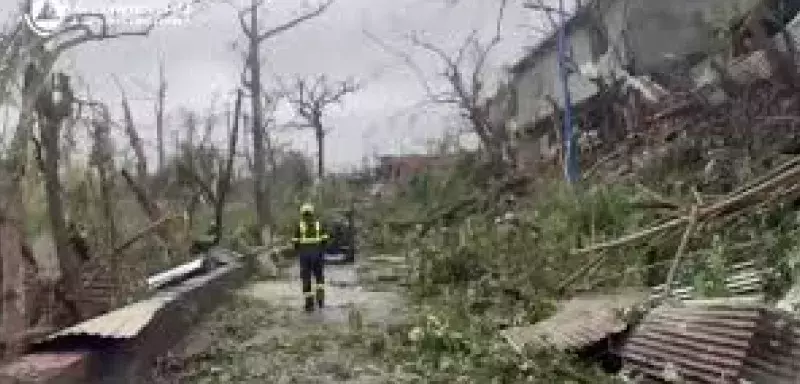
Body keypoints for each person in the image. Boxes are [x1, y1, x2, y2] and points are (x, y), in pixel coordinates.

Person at [291, 203, 329, 312]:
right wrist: (321, 249)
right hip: (317, 254)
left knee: (306, 278)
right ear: (312, 213)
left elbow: (295, 242)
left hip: (304, 255)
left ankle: (309, 304)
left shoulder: (300, 226)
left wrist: (299, 250)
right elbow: (325, 239)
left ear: (302, 213)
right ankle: (320, 301)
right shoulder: (318, 225)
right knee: (319, 277)